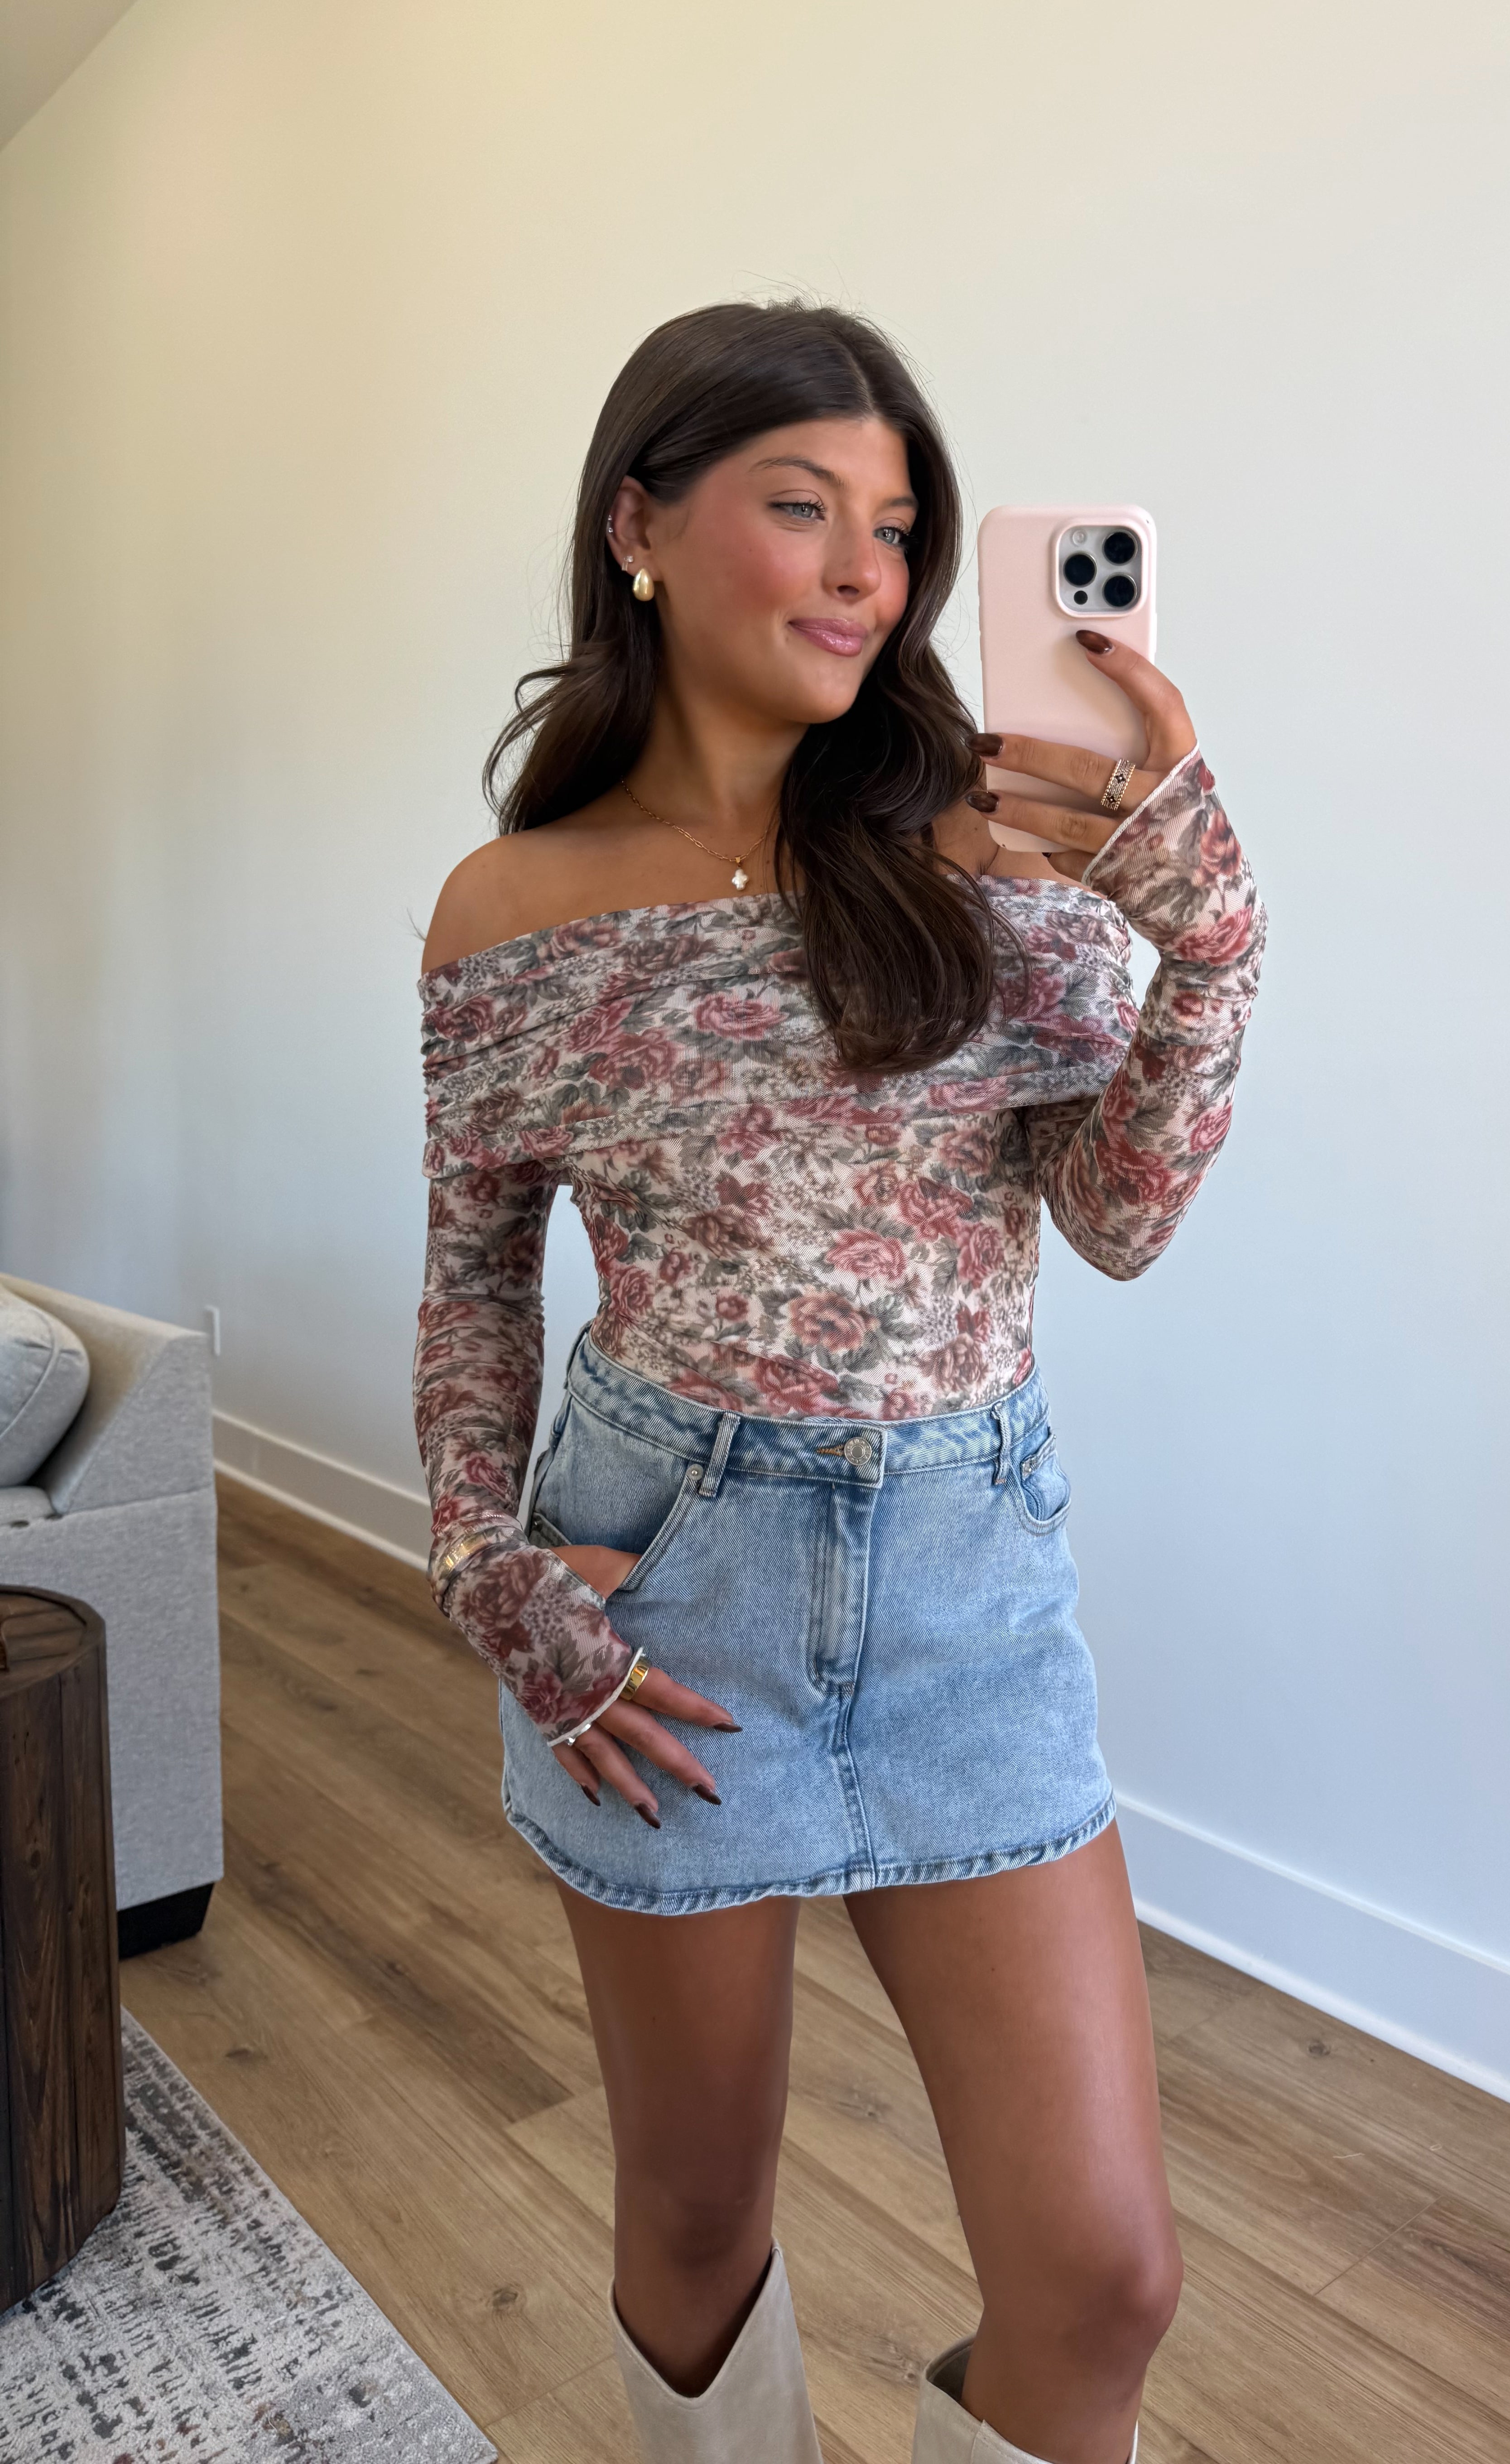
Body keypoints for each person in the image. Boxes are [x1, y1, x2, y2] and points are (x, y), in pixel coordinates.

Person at [413, 300, 1267, 2464]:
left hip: (974, 1591)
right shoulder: (511, 912)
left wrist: (1210, 947)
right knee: (699, 2214)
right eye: (801, 508)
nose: (865, 573)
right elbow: (479, 1278)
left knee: (1106, 2272)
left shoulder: (986, 849)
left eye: (894, 529)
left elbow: (1120, 1218)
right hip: (669, 1599)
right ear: (638, 526)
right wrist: (486, 1570)